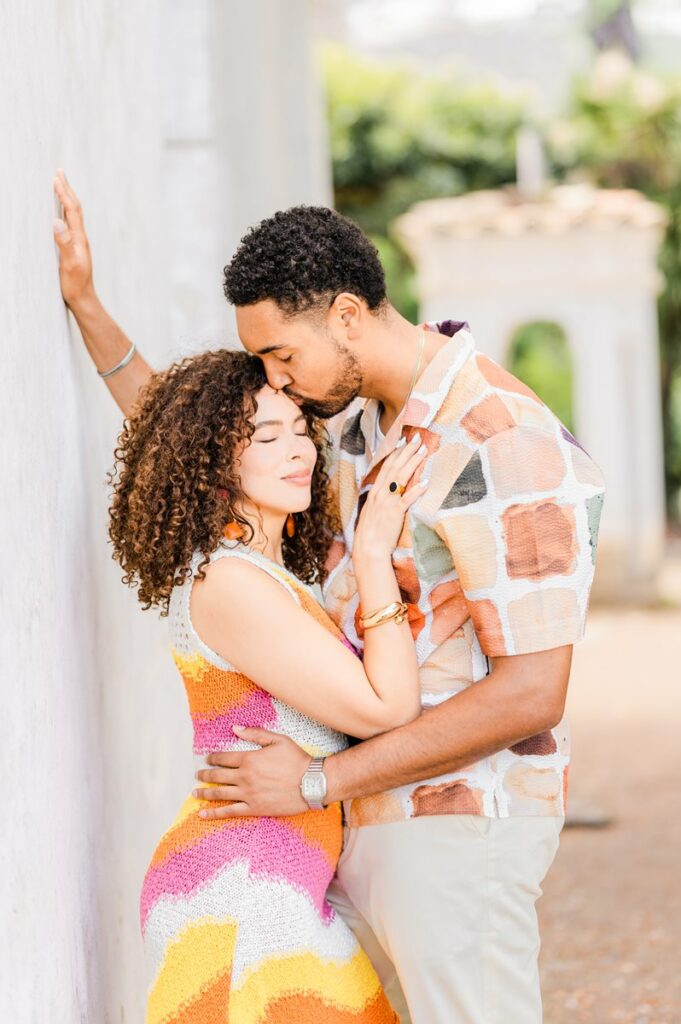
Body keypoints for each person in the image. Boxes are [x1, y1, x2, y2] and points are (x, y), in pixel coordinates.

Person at [54, 170, 605, 1023]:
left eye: (282, 355)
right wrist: (91, 315)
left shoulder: (502, 444)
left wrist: (317, 780)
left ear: (346, 316)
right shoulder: (352, 425)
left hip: (454, 824)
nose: (278, 381)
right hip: (345, 825)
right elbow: (210, 455)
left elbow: (533, 689)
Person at [102, 340, 428, 1021]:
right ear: (214, 462)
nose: (298, 451)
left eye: (299, 431)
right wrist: (372, 550)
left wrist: (93, 312)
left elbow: (159, 413)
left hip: (272, 877)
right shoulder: (228, 582)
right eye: (266, 436)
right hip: (244, 888)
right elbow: (386, 706)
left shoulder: (266, 573)